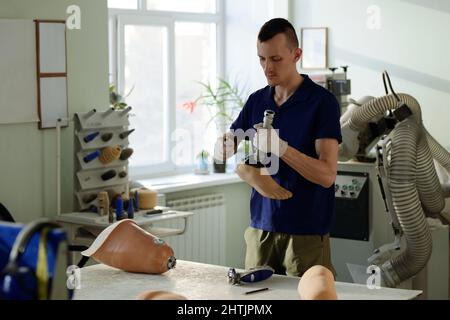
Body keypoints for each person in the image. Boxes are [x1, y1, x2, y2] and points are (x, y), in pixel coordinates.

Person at [214, 18, 341, 277]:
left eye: (275, 59)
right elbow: (230, 142)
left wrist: (282, 148)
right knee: (256, 300)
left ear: (297, 55)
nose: (267, 68)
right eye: (262, 59)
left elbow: (327, 176)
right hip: (261, 228)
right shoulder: (256, 100)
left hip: (305, 232)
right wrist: (222, 147)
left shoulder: (321, 103)